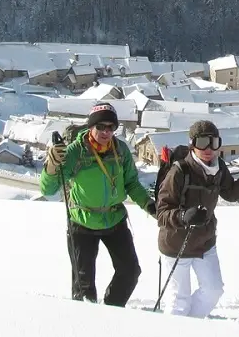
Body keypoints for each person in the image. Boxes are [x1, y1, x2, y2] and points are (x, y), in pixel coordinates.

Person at [40, 102, 156, 306]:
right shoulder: (76, 151)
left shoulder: (120, 150)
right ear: (91, 127)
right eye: (100, 126)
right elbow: (48, 190)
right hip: (82, 222)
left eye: (111, 127)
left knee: (130, 271)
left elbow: (131, 183)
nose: (106, 131)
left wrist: (149, 205)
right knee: (84, 289)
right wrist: (51, 167)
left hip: (114, 219)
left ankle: (111, 310)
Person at [155, 120, 239, 317]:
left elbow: (230, 193)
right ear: (192, 144)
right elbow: (162, 212)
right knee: (178, 302)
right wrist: (183, 216)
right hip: (176, 244)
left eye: (213, 143)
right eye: (202, 142)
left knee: (213, 290)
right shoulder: (179, 171)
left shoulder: (219, 168)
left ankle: (190, 326)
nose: (208, 149)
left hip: (205, 241)